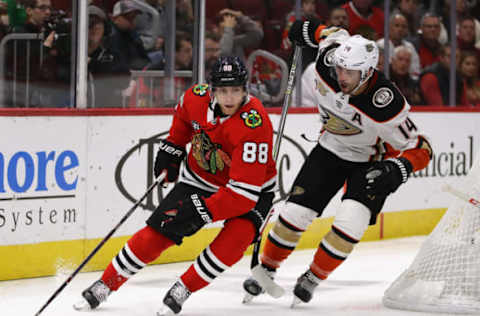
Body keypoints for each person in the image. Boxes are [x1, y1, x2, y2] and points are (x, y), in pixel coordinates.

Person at [242, 20, 433, 306]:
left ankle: (313, 277)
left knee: (350, 224)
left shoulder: (386, 102)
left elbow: (422, 147)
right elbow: (330, 33)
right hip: (330, 149)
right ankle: (266, 269)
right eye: (340, 68)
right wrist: (303, 28)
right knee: (293, 215)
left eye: (350, 72)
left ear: (367, 72)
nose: (341, 76)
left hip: (370, 162)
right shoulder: (328, 58)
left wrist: (398, 168)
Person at [73, 56, 278, 315]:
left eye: (235, 91)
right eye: (223, 91)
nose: (229, 98)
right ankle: (106, 283)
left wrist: (204, 209)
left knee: (235, 241)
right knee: (158, 231)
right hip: (199, 179)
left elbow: (242, 196)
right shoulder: (196, 97)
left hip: (251, 191)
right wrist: (174, 146)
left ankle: (184, 288)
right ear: (212, 89)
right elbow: (183, 117)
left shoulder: (254, 123)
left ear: (245, 90)